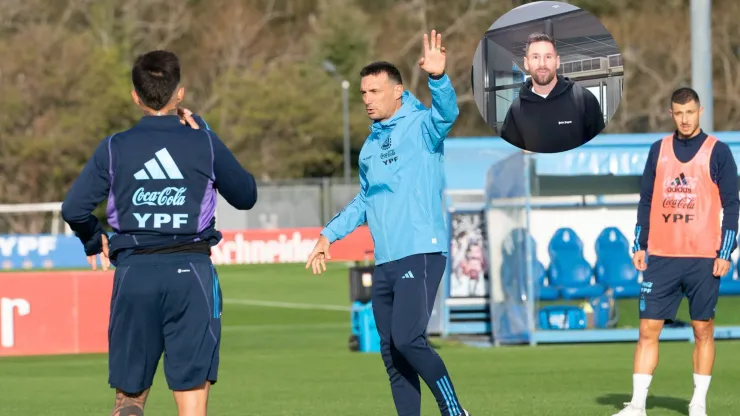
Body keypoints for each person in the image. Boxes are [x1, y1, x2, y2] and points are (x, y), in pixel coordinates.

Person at [61, 50, 258, 416]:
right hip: (192, 275)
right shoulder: (204, 141)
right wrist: (207, 133)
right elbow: (246, 195)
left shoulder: (114, 147)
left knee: (129, 399)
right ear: (179, 94)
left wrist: (93, 238)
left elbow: (73, 208)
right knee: (191, 398)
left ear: (135, 96)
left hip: (134, 273)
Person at [305, 30, 470, 416]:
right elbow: (365, 200)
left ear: (397, 92)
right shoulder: (369, 147)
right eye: (363, 93)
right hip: (386, 261)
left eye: (374, 92)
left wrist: (438, 78)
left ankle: (454, 410)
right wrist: (329, 235)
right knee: (392, 354)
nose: (366, 100)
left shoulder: (421, 127)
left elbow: (447, 113)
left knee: (410, 340)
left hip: (421, 252)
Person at [615, 87, 739, 416]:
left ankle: (698, 402)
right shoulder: (659, 150)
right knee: (647, 329)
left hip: (703, 258)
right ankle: (637, 404)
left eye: (690, 112)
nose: (685, 119)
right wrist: (639, 244)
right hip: (662, 257)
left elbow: (732, 205)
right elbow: (645, 200)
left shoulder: (719, 152)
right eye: (678, 113)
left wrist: (725, 251)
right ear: (672, 114)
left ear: (699, 112)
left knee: (703, 329)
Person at [499, 32, 605, 153]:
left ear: (557, 61)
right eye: (535, 57)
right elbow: (509, 155)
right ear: (526, 63)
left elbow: (601, 150)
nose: (542, 64)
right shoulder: (516, 108)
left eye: (548, 56)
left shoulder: (583, 99)